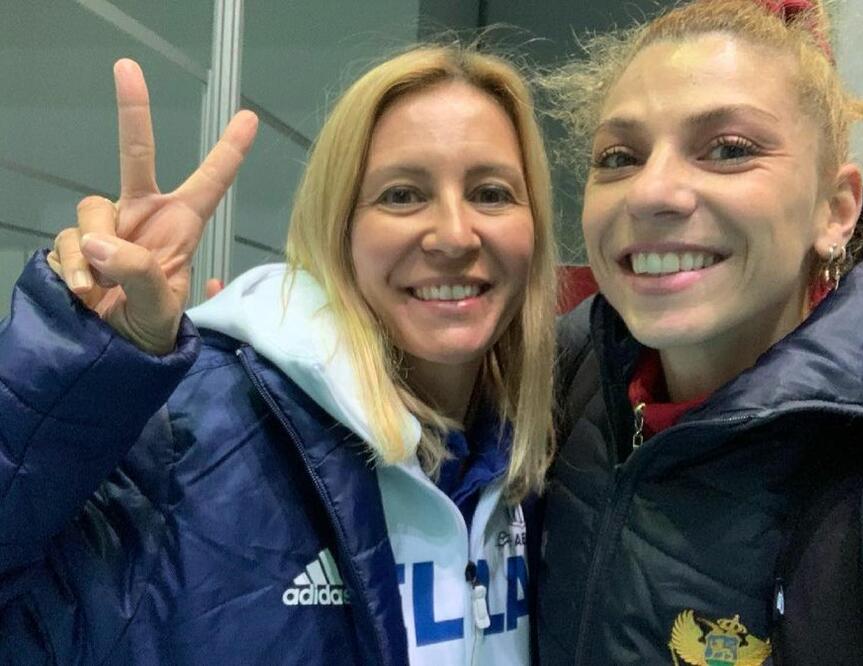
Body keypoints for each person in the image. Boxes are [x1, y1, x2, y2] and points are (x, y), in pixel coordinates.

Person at [0, 45, 557, 664]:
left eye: (491, 193)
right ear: (339, 228)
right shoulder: (188, 436)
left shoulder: (548, 451)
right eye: (402, 195)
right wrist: (82, 360)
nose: (454, 235)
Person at [534, 0, 863, 664]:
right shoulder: (566, 378)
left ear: (835, 210)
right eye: (619, 157)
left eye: (729, 150)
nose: (650, 192)